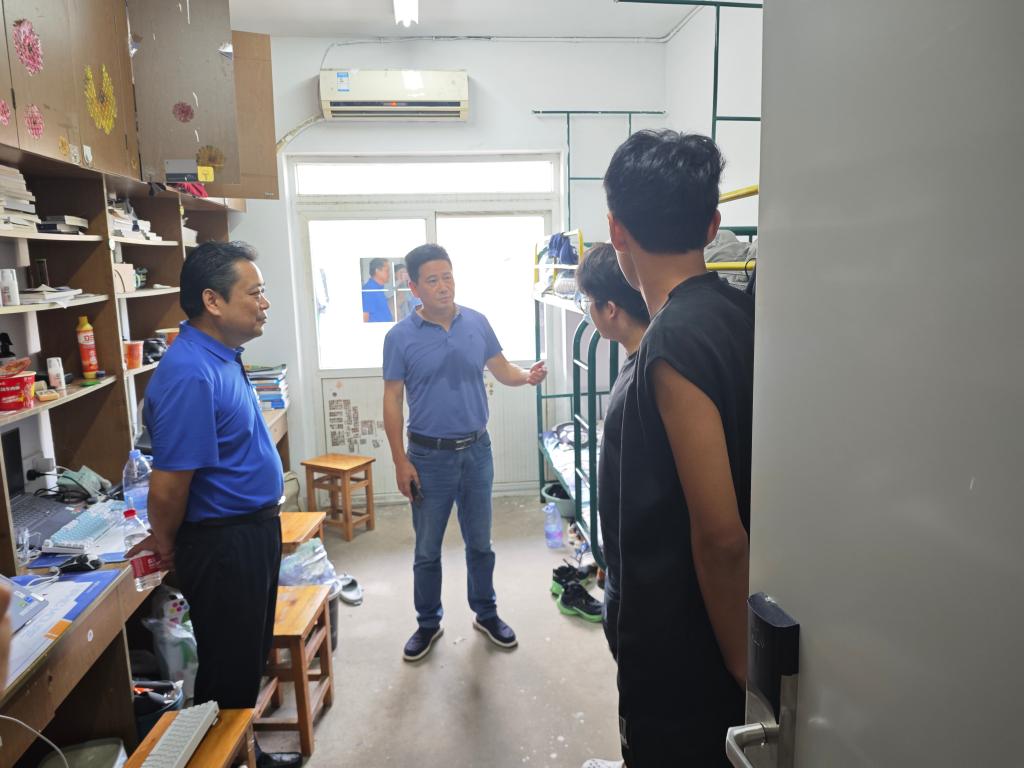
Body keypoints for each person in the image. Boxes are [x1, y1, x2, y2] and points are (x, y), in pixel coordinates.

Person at [601, 130, 755, 767]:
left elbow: (720, 537)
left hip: (685, 656)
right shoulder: (736, 313)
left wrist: (746, 668)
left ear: (617, 230)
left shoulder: (671, 344)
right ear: (713, 224)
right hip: (713, 631)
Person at [126, 241, 300, 768]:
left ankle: (246, 753)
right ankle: (224, 758)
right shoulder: (190, 372)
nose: (265, 303)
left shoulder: (222, 356)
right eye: (255, 292)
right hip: (224, 543)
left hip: (250, 533)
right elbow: (169, 486)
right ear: (213, 301)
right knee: (227, 671)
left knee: (245, 661)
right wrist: (166, 543)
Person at [382, 243, 547, 662]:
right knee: (427, 549)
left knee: (480, 543)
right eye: (432, 280)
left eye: (448, 277)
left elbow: (502, 368)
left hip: (476, 452)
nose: (443, 286)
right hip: (428, 458)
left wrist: (527, 376)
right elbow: (392, 399)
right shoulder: (399, 337)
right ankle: (427, 623)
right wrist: (400, 461)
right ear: (414, 287)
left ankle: (486, 613)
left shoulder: (476, 322)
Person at [575, 243, 649, 660]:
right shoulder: (640, 361)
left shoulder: (644, 378)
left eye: (590, 301)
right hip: (623, 561)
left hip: (636, 571)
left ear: (611, 309)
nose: (589, 311)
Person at [362, 257, 394, 322]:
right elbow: (364, 317)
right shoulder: (369, 290)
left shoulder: (378, 288)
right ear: (377, 271)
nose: (389, 274)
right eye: (387, 271)